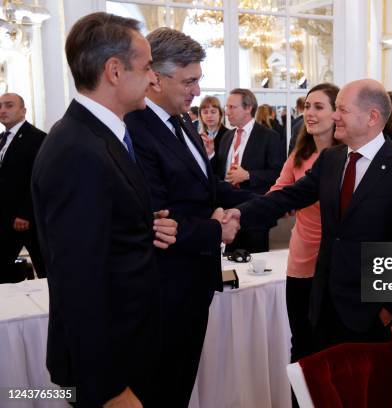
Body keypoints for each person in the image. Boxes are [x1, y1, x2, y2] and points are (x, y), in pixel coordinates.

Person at [31, 12, 177, 408]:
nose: (153, 78)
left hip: (130, 349)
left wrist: (139, 226)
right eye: (147, 67)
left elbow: (98, 234)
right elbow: (79, 281)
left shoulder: (98, 136)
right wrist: (110, 388)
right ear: (114, 70)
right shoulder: (79, 151)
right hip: (109, 371)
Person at [224, 79, 392, 350]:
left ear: (372, 117)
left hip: (370, 314)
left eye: (342, 110)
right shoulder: (332, 159)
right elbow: (289, 196)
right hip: (324, 305)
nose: (334, 116)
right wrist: (239, 214)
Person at [124, 28, 247, 408]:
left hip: (193, 282)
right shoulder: (135, 130)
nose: (197, 91)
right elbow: (159, 216)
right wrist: (218, 229)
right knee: (158, 390)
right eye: (189, 81)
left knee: (179, 385)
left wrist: (261, 202)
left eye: (198, 80)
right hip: (164, 288)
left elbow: (208, 187)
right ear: (155, 78)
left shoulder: (182, 123)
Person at [269, 83, 339, 365]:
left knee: (330, 343)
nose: (309, 113)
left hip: (334, 263)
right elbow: (278, 192)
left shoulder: (348, 157)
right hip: (301, 260)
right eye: (307, 106)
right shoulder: (298, 156)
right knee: (301, 344)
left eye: (318, 107)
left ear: (337, 113)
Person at [212, 88, 284, 253]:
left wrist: (248, 175)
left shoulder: (268, 136)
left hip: (255, 212)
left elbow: (278, 173)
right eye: (226, 107)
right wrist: (210, 155)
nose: (227, 112)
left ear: (248, 108)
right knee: (230, 264)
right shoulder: (227, 137)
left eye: (232, 107)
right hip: (228, 214)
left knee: (255, 266)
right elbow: (219, 171)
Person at [0, 92, 46, 282]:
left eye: (9, 105)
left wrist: (26, 212)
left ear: (23, 111)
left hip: (28, 219)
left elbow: (39, 177)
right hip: (4, 218)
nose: (2, 110)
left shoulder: (37, 138)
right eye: (0, 106)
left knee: (44, 269)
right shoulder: (2, 139)